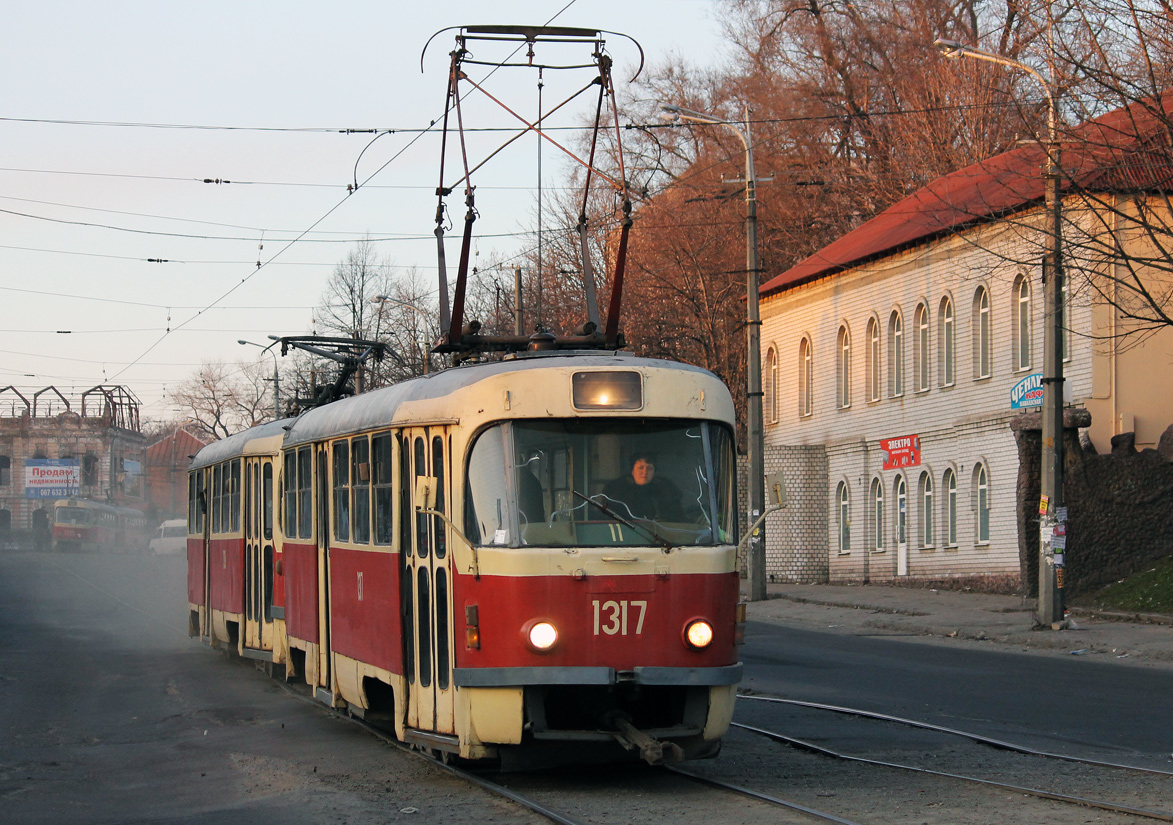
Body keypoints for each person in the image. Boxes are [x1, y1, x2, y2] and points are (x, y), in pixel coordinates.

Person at [602, 453, 682, 521]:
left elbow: (677, 519)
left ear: (654, 472)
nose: (645, 472)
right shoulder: (617, 491)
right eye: (641, 468)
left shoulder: (665, 492)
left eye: (650, 468)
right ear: (632, 471)